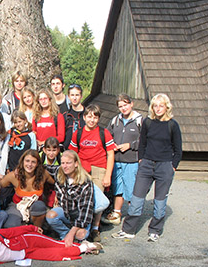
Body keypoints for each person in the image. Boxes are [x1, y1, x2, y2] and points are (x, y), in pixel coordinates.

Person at [112, 93, 182, 242]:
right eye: (155, 106)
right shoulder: (148, 122)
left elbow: (178, 149)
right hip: (147, 164)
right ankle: (128, 230)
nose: (158, 109)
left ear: (166, 107)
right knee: (136, 198)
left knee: (159, 201)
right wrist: (142, 160)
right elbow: (142, 143)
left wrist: (172, 167)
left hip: (164, 166)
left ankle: (155, 230)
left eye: (161, 105)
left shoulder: (172, 125)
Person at [69, 104, 116, 242]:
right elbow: (73, 154)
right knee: (82, 199)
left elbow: (110, 154)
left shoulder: (104, 133)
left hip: (99, 168)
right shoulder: (78, 133)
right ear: (84, 117)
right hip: (83, 169)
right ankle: (82, 227)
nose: (92, 120)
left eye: (95, 117)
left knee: (97, 200)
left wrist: (108, 175)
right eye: (89, 116)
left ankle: (95, 228)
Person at [0, 225, 102, 267]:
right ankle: (84, 247)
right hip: (27, 253)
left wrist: (32, 228)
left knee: (57, 244)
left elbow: (14, 231)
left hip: (28, 240)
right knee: (55, 255)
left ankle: (87, 244)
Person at [102, 94, 142, 225]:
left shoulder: (139, 120)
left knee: (131, 188)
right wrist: (111, 144)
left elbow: (144, 140)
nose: (123, 108)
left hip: (131, 160)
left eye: (125, 105)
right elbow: (107, 135)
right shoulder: (115, 120)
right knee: (117, 187)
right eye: (120, 106)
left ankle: (133, 215)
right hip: (117, 159)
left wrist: (130, 145)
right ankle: (117, 212)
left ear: (131, 104)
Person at [46, 150, 95, 246]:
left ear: (76, 164)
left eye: (68, 163)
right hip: (65, 212)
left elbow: (85, 213)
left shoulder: (85, 182)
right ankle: (65, 234)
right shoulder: (59, 172)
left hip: (79, 216)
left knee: (80, 235)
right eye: (63, 163)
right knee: (50, 216)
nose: (65, 166)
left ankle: (73, 235)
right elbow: (44, 167)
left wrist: (72, 233)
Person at [0, 150, 53, 228]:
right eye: (27, 161)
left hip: (36, 209)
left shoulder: (43, 175)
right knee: (11, 225)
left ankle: (37, 232)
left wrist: (55, 197)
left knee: (39, 206)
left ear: (37, 164)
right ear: (22, 162)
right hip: (17, 206)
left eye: (33, 162)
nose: (30, 164)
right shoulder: (14, 176)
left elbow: (56, 184)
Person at [1, 110, 37, 176]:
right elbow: (6, 151)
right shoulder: (10, 134)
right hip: (12, 167)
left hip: (25, 167)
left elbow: (33, 152)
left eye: (20, 122)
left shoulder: (31, 135)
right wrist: (7, 167)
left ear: (25, 121)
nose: (18, 124)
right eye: (15, 122)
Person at [63, 84, 86, 149]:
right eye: (72, 95)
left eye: (77, 95)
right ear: (69, 97)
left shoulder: (88, 115)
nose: (74, 98)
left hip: (83, 150)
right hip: (68, 151)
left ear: (81, 96)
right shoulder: (65, 116)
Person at [41, 136, 61, 208]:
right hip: (43, 183)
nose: (51, 153)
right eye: (49, 150)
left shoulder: (61, 159)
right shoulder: (40, 157)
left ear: (58, 150)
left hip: (57, 183)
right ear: (44, 150)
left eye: (54, 150)